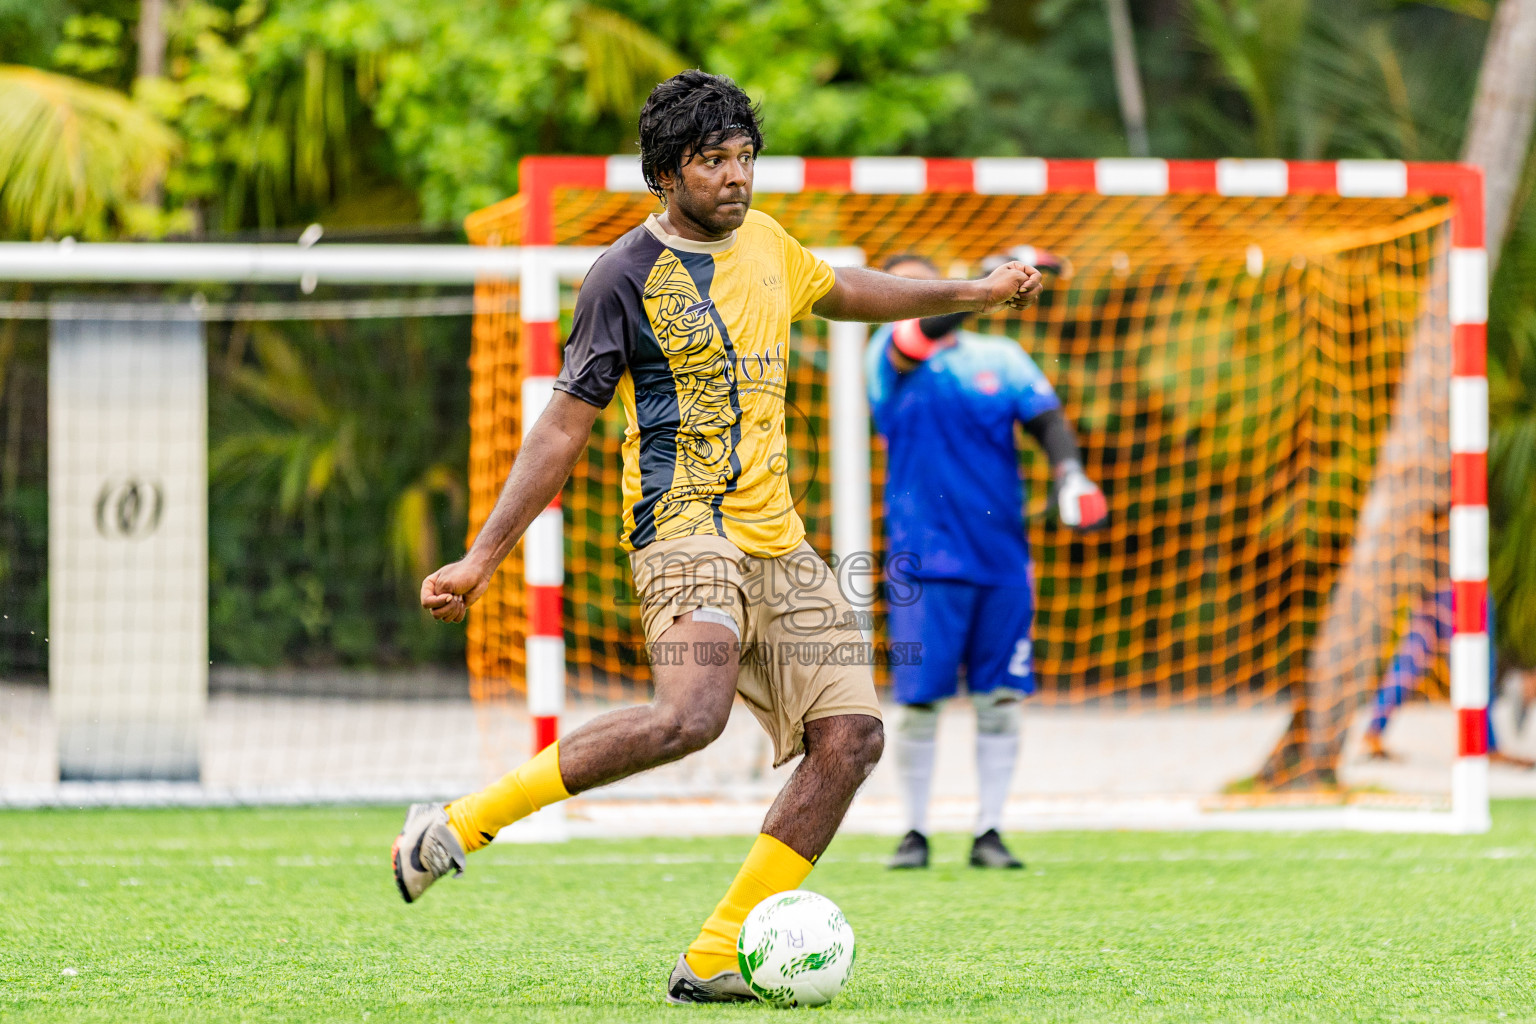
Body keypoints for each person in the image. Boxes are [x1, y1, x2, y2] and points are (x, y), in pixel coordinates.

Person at [394, 71, 1045, 1004]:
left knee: (853, 738)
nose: (735, 177)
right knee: (689, 718)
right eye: (712, 161)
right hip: (682, 532)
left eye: (744, 158)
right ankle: (460, 823)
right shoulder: (623, 277)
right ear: (665, 174)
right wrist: (482, 557)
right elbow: (564, 425)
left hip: (779, 543)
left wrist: (972, 292)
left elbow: (845, 289)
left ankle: (713, 955)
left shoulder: (769, 241)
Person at [867, 252, 1106, 871]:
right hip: (924, 562)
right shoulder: (886, 351)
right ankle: (914, 832)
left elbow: (1047, 421)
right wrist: (985, 285)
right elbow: (919, 332)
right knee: (920, 703)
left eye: (930, 286)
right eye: (906, 289)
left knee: (1000, 698)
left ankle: (990, 831)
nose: (922, 296)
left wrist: (1071, 474)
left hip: (1002, 559)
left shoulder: (1000, 357)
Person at [1365, 586, 1535, 768]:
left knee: (1410, 660)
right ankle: (1487, 744)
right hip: (1465, 590)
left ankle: (1374, 731)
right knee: (1479, 668)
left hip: (1431, 586)